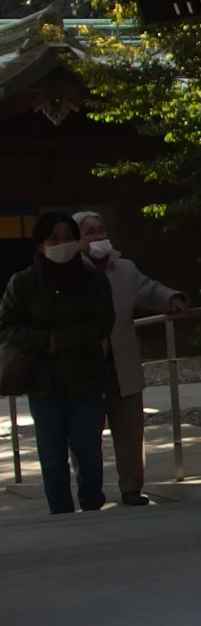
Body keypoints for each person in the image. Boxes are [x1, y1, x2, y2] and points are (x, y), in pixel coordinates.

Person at [1, 211, 117, 515]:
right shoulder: (23, 283)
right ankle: (61, 513)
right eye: (54, 238)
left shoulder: (93, 280)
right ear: (41, 244)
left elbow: (103, 323)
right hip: (43, 381)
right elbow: (8, 326)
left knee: (88, 449)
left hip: (85, 378)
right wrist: (43, 341)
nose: (62, 244)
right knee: (51, 455)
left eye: (68, 238)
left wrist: (61, 340)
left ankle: (92, 506)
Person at [76, 211, 187, 507]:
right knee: (86, 438)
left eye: (101, 230)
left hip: (122, 364)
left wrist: (172, 298)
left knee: (130, 432)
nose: (99, 237)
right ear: (77, 240)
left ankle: (131, 489)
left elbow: (149, 289)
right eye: (90, 232)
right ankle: (90, 493)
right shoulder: (70, 273)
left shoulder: (123, 269)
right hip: (84, 369)